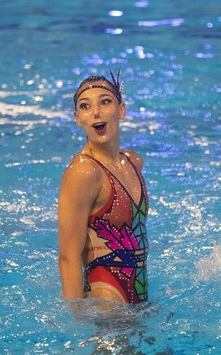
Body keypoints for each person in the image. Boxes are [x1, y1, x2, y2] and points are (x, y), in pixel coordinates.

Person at [57, 72, 149, 303]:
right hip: (106, 299)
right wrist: (77, 318)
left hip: (138, 292)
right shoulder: (84, 172)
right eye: (85, 106)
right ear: (78, 118)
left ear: (121, 110)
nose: (96, 112)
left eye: (105, 102)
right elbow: (68, 257)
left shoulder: (133, 162)